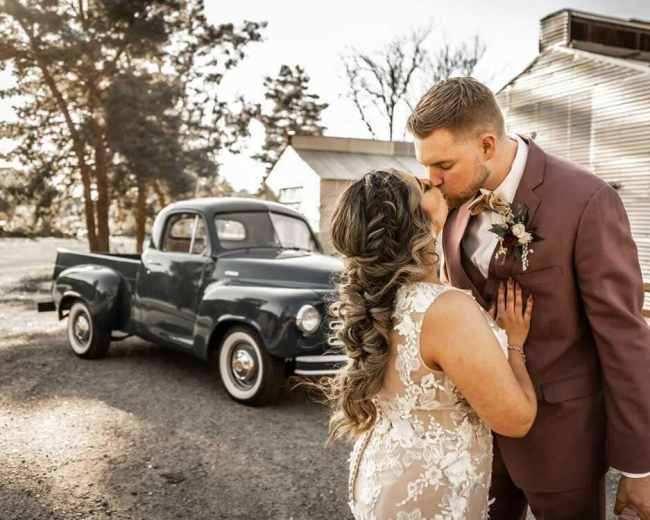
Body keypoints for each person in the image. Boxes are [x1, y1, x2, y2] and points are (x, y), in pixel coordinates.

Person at [407, 76, 650, 519]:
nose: (432, 180)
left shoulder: (586, 200)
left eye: (443, 164)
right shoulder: (453, 198)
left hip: (563, 444)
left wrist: (640, 465)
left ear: (485, 145)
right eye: (426, 166)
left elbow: (624, 337)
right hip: (478, 436)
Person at [323, 168, 538, 519]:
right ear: (414, 220)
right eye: (422, 186)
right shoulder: (446, 311)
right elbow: (516, 420)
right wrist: (514, 343)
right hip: (427, 493)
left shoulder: (381, 297)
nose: (434, 180)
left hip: (385, 474)